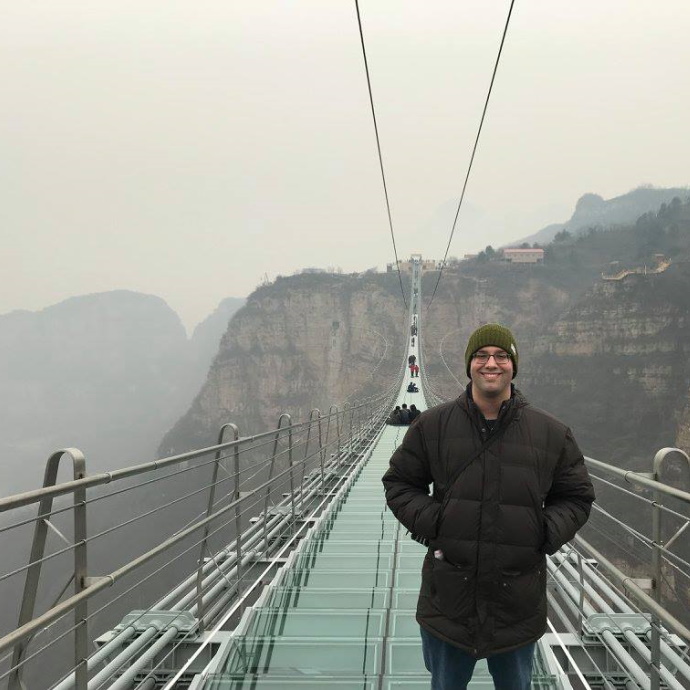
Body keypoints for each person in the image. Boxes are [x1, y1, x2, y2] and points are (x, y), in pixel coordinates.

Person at [382, 323, 595, 690]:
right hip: (449, 599)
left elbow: (576, 496)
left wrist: (542, 533)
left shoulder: (551, 433)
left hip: (516, 600)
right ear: (468, 365)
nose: (491, 363)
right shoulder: (431, 426)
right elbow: (399, 482)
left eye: (501, 356)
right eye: (481, 356)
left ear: (513, 365)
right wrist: (435, 522)